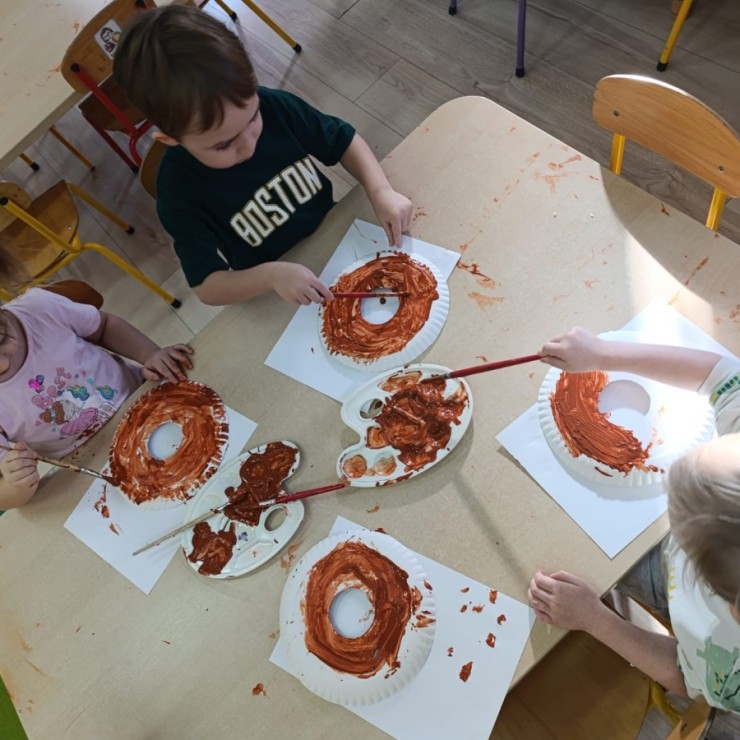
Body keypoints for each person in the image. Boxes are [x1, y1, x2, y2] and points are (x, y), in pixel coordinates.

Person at [113, 5, 413, 307]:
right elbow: (207, 286)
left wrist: (380, 191)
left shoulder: (274, 106)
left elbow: (344, 141)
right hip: (276, 288)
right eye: (223, 145)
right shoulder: (178, 189)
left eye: (253, 118)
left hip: (336, 234)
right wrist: (271, 276)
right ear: (172, 139)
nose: (248, 145)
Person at [528, 327, 740, 716]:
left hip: (687, 614)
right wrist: (603, 354)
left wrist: (594, 619)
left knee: (568, 556)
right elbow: (722, 376)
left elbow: (684, 674)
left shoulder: (730, 671)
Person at [0, 275, 194, 510]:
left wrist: (149, 354)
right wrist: (15, 486)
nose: (2, 365)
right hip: (94, 463)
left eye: (1, 339)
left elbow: (104, 327)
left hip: (145, 400)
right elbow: (3, 496)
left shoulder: (40, 308)